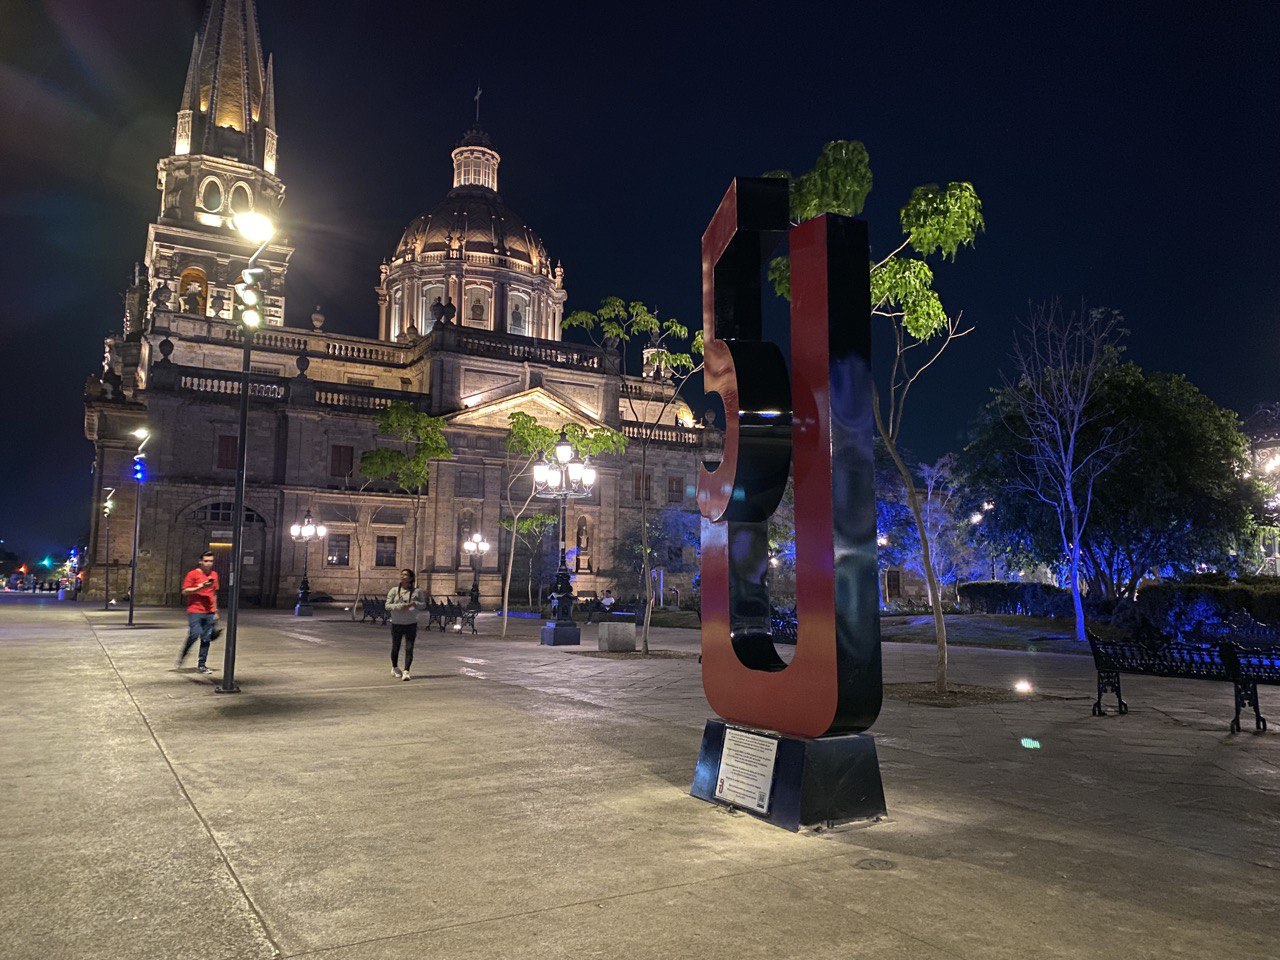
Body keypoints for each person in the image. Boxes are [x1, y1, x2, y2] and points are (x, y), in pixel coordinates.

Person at [178, 552, 219, 675]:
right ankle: (184, 652)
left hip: (209, 611)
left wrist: (215, 610)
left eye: (211, 561)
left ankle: (202, 665)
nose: (208, 563)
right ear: (200, 561)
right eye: (206, 561)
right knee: (195, 634)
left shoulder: (214, 575)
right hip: (195, 610)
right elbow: (185, 591)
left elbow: (214, 593)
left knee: (206, 638)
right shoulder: (192, 574)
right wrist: (199, 587)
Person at [386, 568, 425, 681]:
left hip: (411, 623)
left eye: (406, 575)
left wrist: (414, 603)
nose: (403, 576)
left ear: (411, 578)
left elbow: (423, 605)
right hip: (397, 623)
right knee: (396, 647)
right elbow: (387, 605)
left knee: (409, 647)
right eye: (402, 574)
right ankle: (394, 667)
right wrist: (399, 606)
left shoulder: (417, 592)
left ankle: (406, 670)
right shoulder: (394, 591)